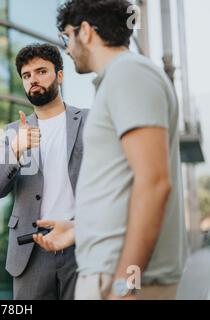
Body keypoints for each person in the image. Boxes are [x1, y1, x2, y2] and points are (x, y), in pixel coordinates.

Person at [34, 0, 188, 300]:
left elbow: (154, 184)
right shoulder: (121, 79)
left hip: (118, 278)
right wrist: (80, 229)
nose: (67, 48)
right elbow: (124, 185)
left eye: (67, 37)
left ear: (87, 31)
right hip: (107, 271)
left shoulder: (128, 75)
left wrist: (125, 283)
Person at [0, 43, 88, 300]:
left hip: (80, 241)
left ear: (60, 75)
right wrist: (16, 151)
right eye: (27, 75)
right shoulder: (13, 132)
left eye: (42, 71)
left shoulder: (89, 121)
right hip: (30, 249)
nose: (33, 79)